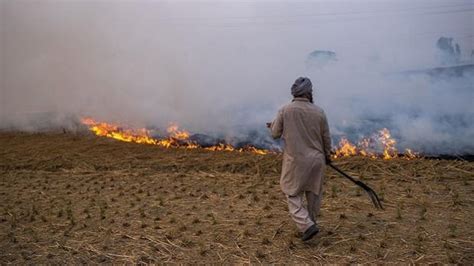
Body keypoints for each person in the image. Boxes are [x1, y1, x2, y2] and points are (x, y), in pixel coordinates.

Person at [268, 77, 332, 241]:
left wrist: (273, 124)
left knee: (292, 193)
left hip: (296, 161)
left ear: (294, 93)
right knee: (313, 194)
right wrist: (328, 156)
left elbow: (275, 134)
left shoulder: (285, 110)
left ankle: (307, 226)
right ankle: (311, 225)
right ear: (309, 93)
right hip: (317, 160)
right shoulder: (319, 111)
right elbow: (326, 137)